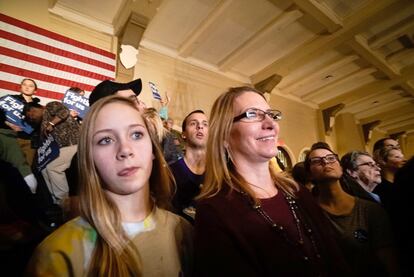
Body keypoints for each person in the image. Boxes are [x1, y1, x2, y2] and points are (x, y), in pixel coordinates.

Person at [26, 96, 193, 276]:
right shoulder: (57, 254)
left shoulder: (183, 232)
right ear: (89, 159)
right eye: (105, 140)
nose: (125, 150)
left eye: (136, 134)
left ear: (153, 149)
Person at [194, 86, 349, 276]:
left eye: (270, 115)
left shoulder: (297, 192)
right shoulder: (214, 211)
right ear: (225, 135)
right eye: (252, 114)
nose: (270, 124)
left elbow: (336, 259)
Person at [305, 142, 399, 277]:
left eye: (331, 158)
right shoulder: (308, 213)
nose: (326, 162)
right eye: (316, 161)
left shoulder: (370, 210)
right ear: (310, 174)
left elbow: (389, 261)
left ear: (341, 168)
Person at [23, 101, 80, 206]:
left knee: (53, 167)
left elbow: (64, 111)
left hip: (75, 143)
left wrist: (52, 123)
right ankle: (56, 202)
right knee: (44, 168)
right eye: (29, 116)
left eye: (32, 111)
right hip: (62, 149)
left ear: (40, 107)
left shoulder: (50, 106)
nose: (31, 116)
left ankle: (64, 202)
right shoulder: (41, 126)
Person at [170, 110, 208, 222]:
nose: (200, 126)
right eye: (193, 123)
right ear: (183, 134)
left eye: (205, 124)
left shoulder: (222, 172)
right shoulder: (170, 173)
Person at [3, 78, 41, 166]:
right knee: (7, 167)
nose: (27, 87)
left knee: (25, 170)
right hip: (11, 138)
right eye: (24, 84)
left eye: (31, 86)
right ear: (20, 87)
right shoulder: (9, 99)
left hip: (30, 142)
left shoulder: (38, 107)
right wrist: (8, 124)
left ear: (35, 91)